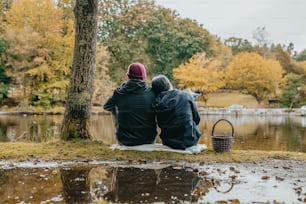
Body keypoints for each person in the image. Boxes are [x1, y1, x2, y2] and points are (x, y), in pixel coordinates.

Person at [103, 63, 157, 146]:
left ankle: (119, 139)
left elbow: (106, 106)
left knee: (113, 107)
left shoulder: (120, 93)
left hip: (125, 140)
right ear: (144, 76)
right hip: (149, 139)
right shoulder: (152, 92)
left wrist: (122, 89)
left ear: (128, 76)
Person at [151, 75, 201, 150]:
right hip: (190, 141)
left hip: (168, 142)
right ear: (168, 84)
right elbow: (197, 119)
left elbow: (160, 124)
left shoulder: (157, 103)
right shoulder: (186, 95)